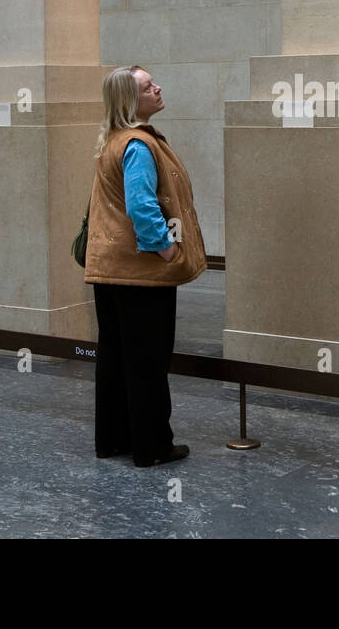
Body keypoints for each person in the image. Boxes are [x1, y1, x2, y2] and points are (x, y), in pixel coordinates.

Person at [84, 65, 207, 467]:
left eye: (153, 82)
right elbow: (141, 205)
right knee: (148, 361)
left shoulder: (115, 140)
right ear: (129, 101)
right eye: (146, 86)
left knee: (116, 356)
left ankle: (114, 439)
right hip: (140, 273)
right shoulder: (138, 144)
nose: (157, 87)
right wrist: (165, 249)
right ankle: (152, 447)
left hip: (111, 270)